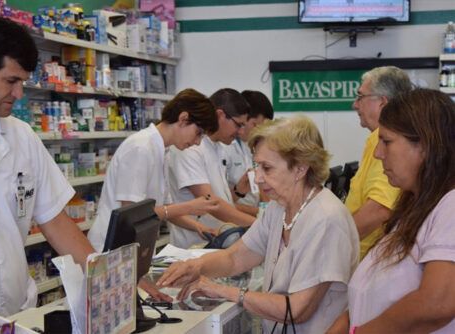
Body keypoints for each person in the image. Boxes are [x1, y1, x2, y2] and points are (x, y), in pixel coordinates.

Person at [158, 116, 359, 333]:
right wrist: (197, 267)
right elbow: (235, 257)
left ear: (300, 168)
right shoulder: (279, 208)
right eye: (257, 166)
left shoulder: (326, 220)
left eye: (267, 168)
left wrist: (223, 291)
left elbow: (298, 310)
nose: (258, 178)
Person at [0, 16, 94, 316]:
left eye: (23, 82)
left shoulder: (20, 136)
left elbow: (55, 220)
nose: (19, 94)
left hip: (18, 316)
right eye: (11, 81)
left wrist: (107, 276)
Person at [328, 88, 455, 333]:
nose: (378, 153)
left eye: (386, 141)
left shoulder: (450, 205)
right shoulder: (414, 206)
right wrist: (346, 321)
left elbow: (437, 303)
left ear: (425, 145)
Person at [88, 88, 220, 253]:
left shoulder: (162, 150)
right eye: (198, 133)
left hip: (131, 247)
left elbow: (165, 208)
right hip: (109, 249)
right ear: (183, 119)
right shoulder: (141, 147)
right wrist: (188, 207)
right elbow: (131, 216)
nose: (198, 142)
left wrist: (198, 227)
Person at [166, 88, 257, 249]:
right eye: (238, 124)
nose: (241, 131)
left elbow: (221, 199)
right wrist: (259, 225)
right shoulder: (189, 148)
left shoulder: (218, 147)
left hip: (220, 242)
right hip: (195, 246)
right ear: (221, 115)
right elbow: (211, 204)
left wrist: (237, 192)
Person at [346, 66, 411, 259]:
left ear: (382, 102)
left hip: (367, 261)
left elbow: (379, 210)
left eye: (360, 97)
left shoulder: (383, 141)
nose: (355, 105)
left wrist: (329, 243)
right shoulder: (375, 140)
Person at [223, 90, 274, 215]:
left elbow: (258, 187)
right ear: (244, 119)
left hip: (251, 218)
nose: (259, 131)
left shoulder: (248, 146)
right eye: (255, 125)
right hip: (232, 220)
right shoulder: (224, 147)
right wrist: (260, 212)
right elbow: (220, 202)